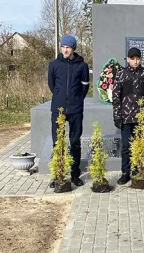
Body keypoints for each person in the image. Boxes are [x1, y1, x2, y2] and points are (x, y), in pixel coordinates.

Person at [48, 35, 90, 187]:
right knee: (58, 142)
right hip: (58, 109)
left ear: (73, 49)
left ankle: (75, 174)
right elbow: (52, 85)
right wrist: (60, 97)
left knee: (75, 142)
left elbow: (84, 86)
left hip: (75, 109)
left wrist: (76, 99)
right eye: (63, 47)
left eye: (68, 47)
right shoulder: (54, 65)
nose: (65, 50)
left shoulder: (82, 66)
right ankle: (58, 174)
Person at [112, 47, 144, 185]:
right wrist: (117, 116)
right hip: (126, 117)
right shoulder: (121, 75)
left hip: (141, 118)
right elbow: (116, 97)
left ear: (141, 59)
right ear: (128, 59)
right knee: (126, 145)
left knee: (140, 145)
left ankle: (137, 170)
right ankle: (125, 172)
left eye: (138, 58)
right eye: (133, 59)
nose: (135, 61)